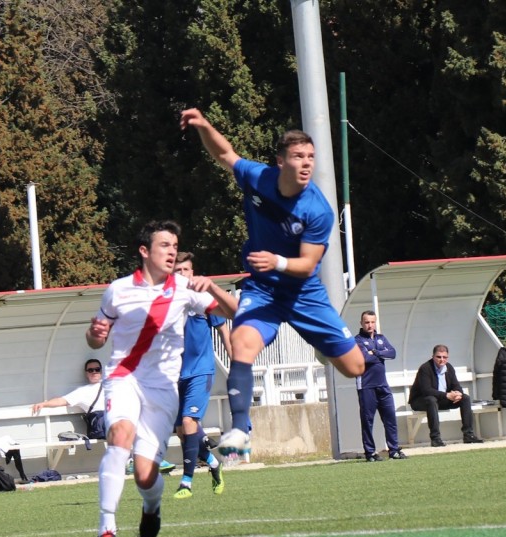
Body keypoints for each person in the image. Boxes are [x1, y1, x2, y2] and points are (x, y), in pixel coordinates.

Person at [179, 108, 365, 458]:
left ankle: (322, 347)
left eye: (311, 156)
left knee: (355, 367)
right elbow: (224, 154)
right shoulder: (258, 177)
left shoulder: (317, 210)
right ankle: (238, 429)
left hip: (304, 294)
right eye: (298, 156)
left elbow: (309, 265)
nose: (307, 163)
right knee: (241, 342)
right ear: (281, 161)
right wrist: (205, 125)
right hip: (263, 289)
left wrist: (277, 261)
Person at [86, 220, 237, 537]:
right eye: (165, 245)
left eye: (174, 246)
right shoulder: (118, 289)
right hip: (122, 377)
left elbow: (233, 310)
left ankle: (151, 507)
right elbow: (96, 339)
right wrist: (95, 335)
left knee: (144, 475)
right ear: (144, 251)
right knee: (119, 436)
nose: (171, 252)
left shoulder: (185, 291)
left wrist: (211, 287)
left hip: (161, 388)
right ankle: (106, 527)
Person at [172, 252, 236, 499]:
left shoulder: (203, 298)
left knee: (189, 423)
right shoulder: (169, 301)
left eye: (185, 270)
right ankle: (212, 462)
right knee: (181, 431)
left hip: (201, 369)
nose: (182, 275)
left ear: (192, 271)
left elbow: (223, 330)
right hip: (176, 374)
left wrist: (235, 364)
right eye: (177, 271)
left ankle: (186, 481)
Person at [408, 344, 486, 447]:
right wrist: (446, 395)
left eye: (444, 357)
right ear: (433, 357)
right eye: (438, 357)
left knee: (465, 398)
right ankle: (435, 438)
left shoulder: (449, 367)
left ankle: (468, 435)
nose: (441, 360)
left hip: (440, 399)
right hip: (420, 401)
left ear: (447, 358)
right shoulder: (425, 368)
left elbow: (456, 385)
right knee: (431, 400)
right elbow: (426, 390)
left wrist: (458, 393)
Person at [355, 310, 405, 462]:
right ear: (361, 323)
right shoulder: (357, 340)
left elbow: (392, 353)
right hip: (366, 386)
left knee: (390, 417)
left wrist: (375, 351)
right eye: (367, 322)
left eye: (372, 322)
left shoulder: (381, 338)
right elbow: (364, 358)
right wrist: (379, 354)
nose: (370, 325)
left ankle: (394, 450)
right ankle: (370, 453)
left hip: (382, 385)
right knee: (368, 420)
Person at [30, 358, 105, 422]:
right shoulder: (83, 391)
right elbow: (62, 401)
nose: (94, 372)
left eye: (97, 369)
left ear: (101, 372)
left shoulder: (112, 386)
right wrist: (43, 404)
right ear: (86, 374)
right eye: (90, 370)